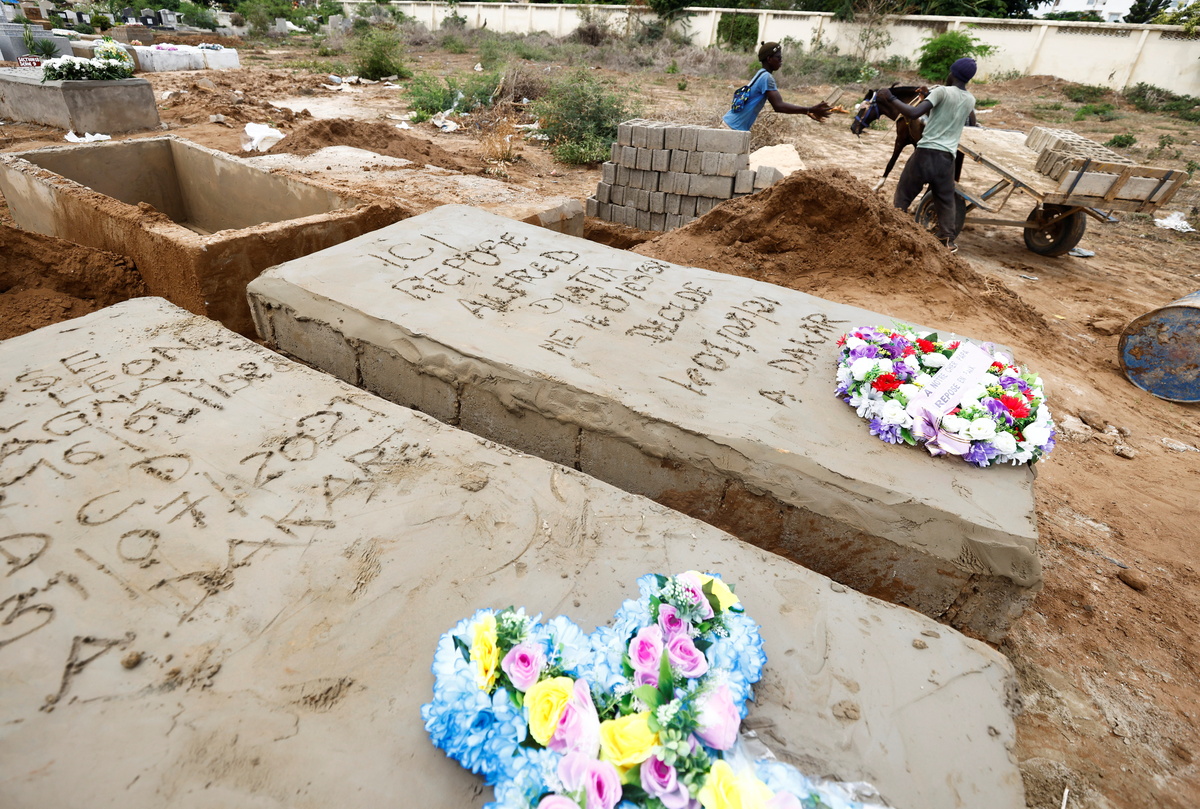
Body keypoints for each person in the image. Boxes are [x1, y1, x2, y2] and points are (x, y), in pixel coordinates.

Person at [880, 57, 978, 254]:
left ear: (952, 73)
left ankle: (895, 232)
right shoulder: (970, 100)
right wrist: (928, 96)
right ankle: (948, 239)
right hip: (947, 159)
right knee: (945, 200)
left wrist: (890, 98)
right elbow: (968, 121)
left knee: (904, 195)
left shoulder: (942, 91)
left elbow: (913, 113)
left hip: (925, 153)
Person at [722, 42, 832, 132]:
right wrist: (810, 110)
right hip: (732, 129)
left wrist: (808, 111)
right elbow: (779, 106)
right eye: (778, 58)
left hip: (732, 125)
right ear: (769, 59)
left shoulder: (761, 73)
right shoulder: (767, 78)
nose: (781, 61)